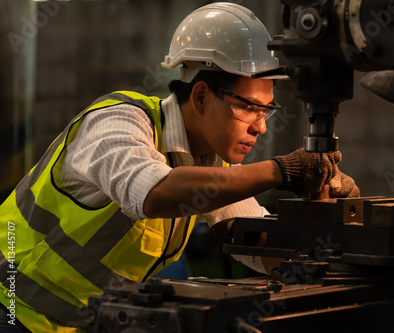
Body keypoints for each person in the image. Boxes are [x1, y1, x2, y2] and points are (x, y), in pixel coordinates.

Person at [0, 2, 359, 332]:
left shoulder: (211, 163)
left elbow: (255, 240)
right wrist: (284, 170)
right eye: (249, 107)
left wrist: (326, 219)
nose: (260, 126)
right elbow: (156, 192)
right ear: (201, 95)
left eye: (266, 110)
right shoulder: (118, 121)